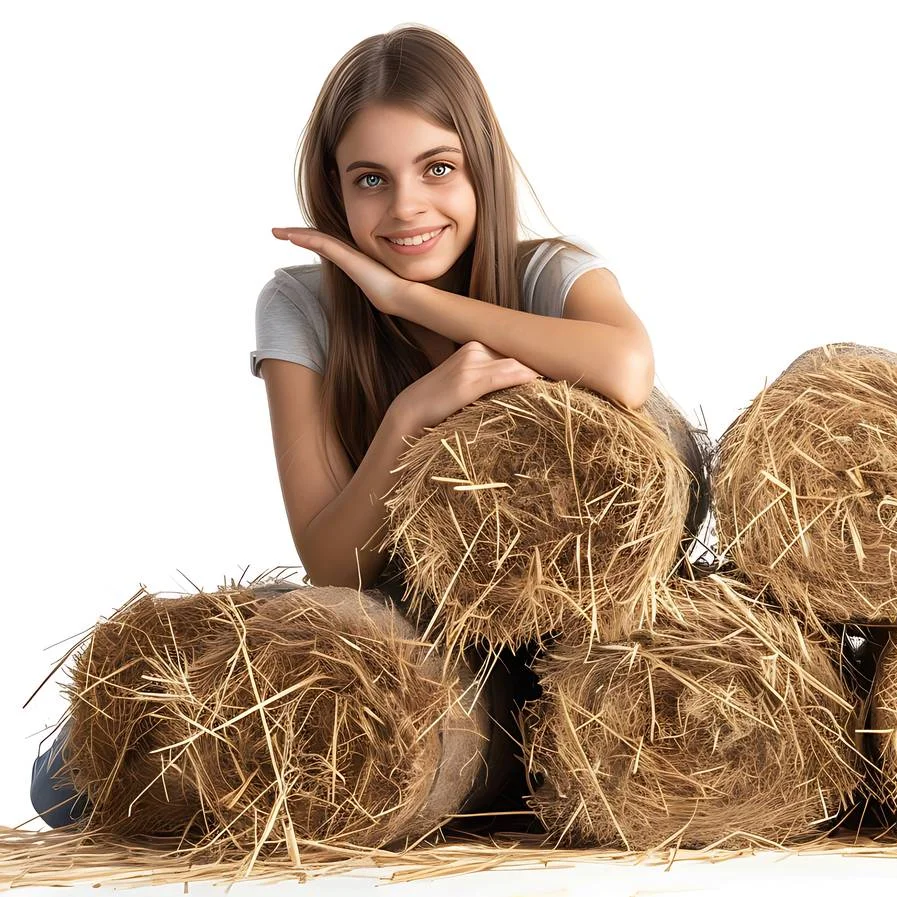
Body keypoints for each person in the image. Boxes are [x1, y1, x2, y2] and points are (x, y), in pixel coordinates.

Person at [31, 23, 654, 830]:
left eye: (438, 168)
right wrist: (410, 411)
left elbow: (628, 369)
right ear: (334, 190)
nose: (406, 208)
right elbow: (331, 561)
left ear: (481, 170)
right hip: (380, 624)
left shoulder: (549, 274)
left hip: (547, 642)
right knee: (69, 780)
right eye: (370, 179)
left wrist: (406, 297)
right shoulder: (299, 306)